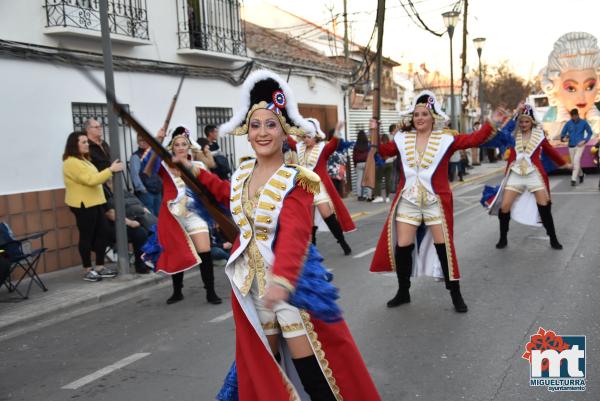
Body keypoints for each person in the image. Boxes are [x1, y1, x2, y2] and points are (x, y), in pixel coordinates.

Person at [201, 69, 381, 401]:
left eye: (271, 124)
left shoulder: (297, 179)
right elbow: (228, 197)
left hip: (290, 289)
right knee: (265, 373)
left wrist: (282, 280)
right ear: (247, 130)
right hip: (253, 290)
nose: (262, 132)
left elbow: (297, 233)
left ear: (285, 131)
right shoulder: (242, 173)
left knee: (314, 374)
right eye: (255, 125)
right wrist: (196, 173)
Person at [369, 90, 505, 313]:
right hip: (408, 200)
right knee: (403, 247)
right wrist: (374, 132)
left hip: (435, 201)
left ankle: (456, 295)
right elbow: (381, 153)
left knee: (444, 248)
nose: (419, 118)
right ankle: (403, 291)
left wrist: (492, 123)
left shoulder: (446, 139)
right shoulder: (402, 139)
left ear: (433, 117)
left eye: (424, 114)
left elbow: (474, 139)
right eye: (416, 114)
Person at [143, 127, 222, 305]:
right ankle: (177, 291)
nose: (180, 147)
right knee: (176, 250)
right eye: (177, 144)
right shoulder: (163, 165)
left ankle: (210, 291)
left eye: (183, 144)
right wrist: (156, 142)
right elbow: (146, 170)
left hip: (194, 213)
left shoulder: (198, 166)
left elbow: (210, 191)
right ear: (172, 147)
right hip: (173, 216)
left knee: (205, 251)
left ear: (189, 147)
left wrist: (215, 215)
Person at [486, 104, 571, 250]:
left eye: (527, 121)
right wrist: (516, 113)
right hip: (515, 174)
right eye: (521, 121)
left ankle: (553, 239)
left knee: (544, 206)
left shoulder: (539, 135)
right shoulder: (512, 134)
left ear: (532, 122)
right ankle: (503, 238)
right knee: (505, 206)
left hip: (534, 174)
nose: (524, 124)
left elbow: (550, 150)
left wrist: (564, 163)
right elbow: (502, 131)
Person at [287, 118, 355, 255]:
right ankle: (313, 250)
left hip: (319, 187)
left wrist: (337, 130)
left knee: (327, 215)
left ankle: (343, 243)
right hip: (305, 188)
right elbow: (289, 141)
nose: (305, 139)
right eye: (304, 136)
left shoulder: (323, 148)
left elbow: (334, 144)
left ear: (316, 136)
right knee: (309, 221)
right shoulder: (300, 148)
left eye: (308, 136)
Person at [62, 132, 122, 282]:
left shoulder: (84, 159)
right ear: (74, 145)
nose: (87, 144)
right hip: (83, 205)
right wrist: (110, 170)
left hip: (96, 202)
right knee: (86, 236)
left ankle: (100, 266)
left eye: (86, 142)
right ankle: (87, 269)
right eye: (83, 142)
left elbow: (95, 179)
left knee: (103, 233)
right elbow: (90, 180)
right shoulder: (71, 162)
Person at [104, 191, 154, 274]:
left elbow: (142, 207)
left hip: (135, 220)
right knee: (140, 233)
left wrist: (148, 218)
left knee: (153, 229)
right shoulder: (106, 194)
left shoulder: (125, 192)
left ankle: (151, 261)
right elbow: (110, 214)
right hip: (115, 226)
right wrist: (130, 223)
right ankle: (140, 265)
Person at [130, 133, 162, 216]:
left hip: (157, 191)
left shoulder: (154, 154)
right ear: (138, 142)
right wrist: (142, 189)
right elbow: (135, 175)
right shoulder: (136, 156)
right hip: (146, 192)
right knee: (149, 217)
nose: (144, 142)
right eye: (141, 140)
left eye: (146, 140)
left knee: (160, 215)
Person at [560, 108, 593, 186]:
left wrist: (584, 141)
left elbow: (590, 132)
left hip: (580, 145)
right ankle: (581, 175)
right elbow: (563, 134)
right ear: (571, 116)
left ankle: (573, 179)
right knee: (575, 163)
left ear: (578, 114)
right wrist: (563, 138)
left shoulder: (584, 122)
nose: (574, 117)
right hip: (571, 145)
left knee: (576, 160)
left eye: (575, 116)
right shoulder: (568, 123)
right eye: (573, 116)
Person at [373, 126, 397, 203]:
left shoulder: (381, 146)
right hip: (390, 163)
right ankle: (387, 197)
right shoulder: (391, 145)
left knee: (379, 180)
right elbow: (395, 153)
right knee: (388, 180)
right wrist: (392, 158)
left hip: (381, 164)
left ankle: (379, 196)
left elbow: (377, 153)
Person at [352, 129, 371, 201]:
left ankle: (360, 196)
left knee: (359, 180)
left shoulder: (356, 145)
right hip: (366, 163)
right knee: (367, 180)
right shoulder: (367, 144)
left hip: (359, 163)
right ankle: (369, 196)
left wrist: (354, 165)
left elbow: (354, 156)